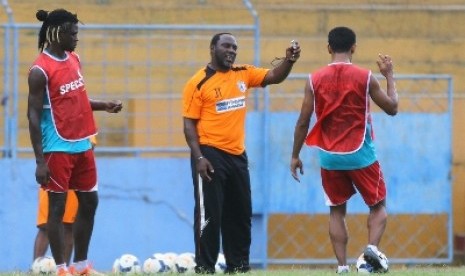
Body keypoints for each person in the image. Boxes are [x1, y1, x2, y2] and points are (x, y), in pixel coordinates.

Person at [182, 32, 300, 274]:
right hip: (209, 154)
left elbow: (273, 76)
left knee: (240, 213)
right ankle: (205, 267)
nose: (232, 51)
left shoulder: (242, 73)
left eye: (235, 48)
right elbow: (188, 124)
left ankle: (238, 267)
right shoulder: (198, 82)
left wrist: (288, 61)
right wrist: (199, 157)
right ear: (212, 47)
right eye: (226, 46)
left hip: (237, 156)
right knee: (209, 215)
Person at [290, 26, 398, 274]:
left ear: (329, 48)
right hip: (361, 152)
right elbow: (392, 108)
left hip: (329, 156)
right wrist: (389, 75)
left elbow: (303, 121)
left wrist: (295, 155)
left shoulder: (313, 79)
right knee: (378, 206)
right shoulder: (366, 77)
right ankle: (370, 254)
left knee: (336, 211)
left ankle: (342, 267)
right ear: (354, 48)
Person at [27, 9, 123, 276]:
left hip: (82, 143)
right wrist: (39, 161)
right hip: (57, 147)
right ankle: (60, 269)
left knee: (90, 202)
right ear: (57, 33)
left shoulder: (74, 58)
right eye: (73, 33)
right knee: (56, 210)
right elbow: (33, 116)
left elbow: (76, 99)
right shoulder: (39, 71)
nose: (76, 38)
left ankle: (80, 266)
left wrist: (103, 105)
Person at [33, 137, 97, 266]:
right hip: (54, 165)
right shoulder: (51, 117)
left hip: (75, 171)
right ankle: (36, 268)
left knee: (69, 225)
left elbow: (90, 144)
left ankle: (64, 269)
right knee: (45, 224)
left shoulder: (82, 117)